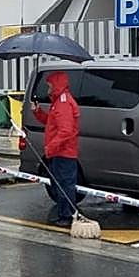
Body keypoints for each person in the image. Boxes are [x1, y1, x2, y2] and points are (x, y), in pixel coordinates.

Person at [32, 72, 81, 226]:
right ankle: (63, 214)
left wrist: (50, 147)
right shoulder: (59, 102)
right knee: (59, 184)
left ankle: (66, 216)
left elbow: (66, 131)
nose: (48, 88)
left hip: (63, 153)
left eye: (49, 85)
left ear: (56, 85)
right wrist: (37, 111)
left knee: (64, 185)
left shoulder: (63, 103)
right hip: (59, 152)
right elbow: (50, 122)